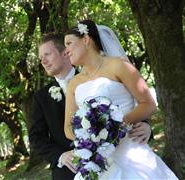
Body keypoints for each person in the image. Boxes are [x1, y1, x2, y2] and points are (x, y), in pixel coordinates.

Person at [29, 32, 153, 180]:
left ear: (64, 53)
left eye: (47, 55)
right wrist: (61, 156)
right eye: (41, 58)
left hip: (119, 155)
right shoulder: (41, 97)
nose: (43, 61)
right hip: (70, 170)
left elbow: (129, 100)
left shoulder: (100, 75)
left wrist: (145, 125)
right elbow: (36, 138)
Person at [64, 19, 178, 179]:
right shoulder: (73, 84)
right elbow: (68, 129)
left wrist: (113, 126)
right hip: (100, 163)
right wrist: (91, 138)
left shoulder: (119, 66)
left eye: (69, 43)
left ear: (85, 39)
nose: (66, 50)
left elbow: (149, 104)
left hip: (132, 153)